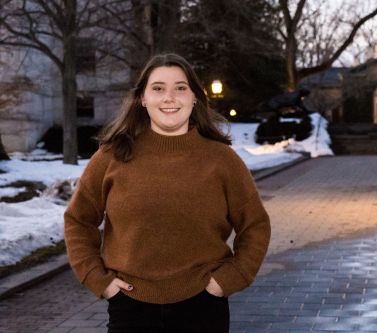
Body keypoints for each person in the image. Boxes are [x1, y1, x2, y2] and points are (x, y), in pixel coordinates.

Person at [64, 53, 271, 332]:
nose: (169, 98)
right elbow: (78, 220)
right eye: (158, 88)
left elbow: (255, 225)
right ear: (143, 98)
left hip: (203, 307)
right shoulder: (112, 156)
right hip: (131, 308)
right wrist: (98, 279)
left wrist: (230, 278)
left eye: (180, 88)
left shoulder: (222, 159)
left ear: (195, 97)